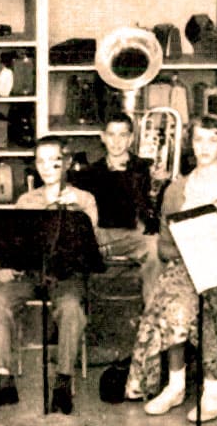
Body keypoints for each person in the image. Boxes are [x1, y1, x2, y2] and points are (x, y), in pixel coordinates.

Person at [127, 115, 217, 421]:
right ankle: (175, 386)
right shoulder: (176, 189)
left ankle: (212, 392)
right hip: (185, 267)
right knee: (176, 304)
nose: (205, 147)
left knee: (211, 305)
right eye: (199, 139)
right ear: (190, 144)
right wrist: (189, 246)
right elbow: (162, 249)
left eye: (213, 140)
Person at [0, 139, 99, 415]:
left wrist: (78, 210)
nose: (47, 166)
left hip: (67, 275)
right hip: (32, 275)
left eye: (54, 160)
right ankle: (4, 382)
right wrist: (9, 262)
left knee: (70, 307)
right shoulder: (26, 200)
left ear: (65, 162)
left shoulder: (84, 198)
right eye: (41, 161)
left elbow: (93, 245)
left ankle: (63, 382)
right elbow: (17, 245)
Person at [69, 113, 162, 304]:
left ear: (131, 139)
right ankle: (79, 308)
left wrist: (158, 185)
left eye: (122, 135)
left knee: (154, 246)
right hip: (101, 236)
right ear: (103, 137)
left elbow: (149, 208)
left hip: (133, 236)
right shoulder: (91, 172)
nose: (116, 141)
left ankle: (151, 314)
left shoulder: (143, 167)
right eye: (111, 135)